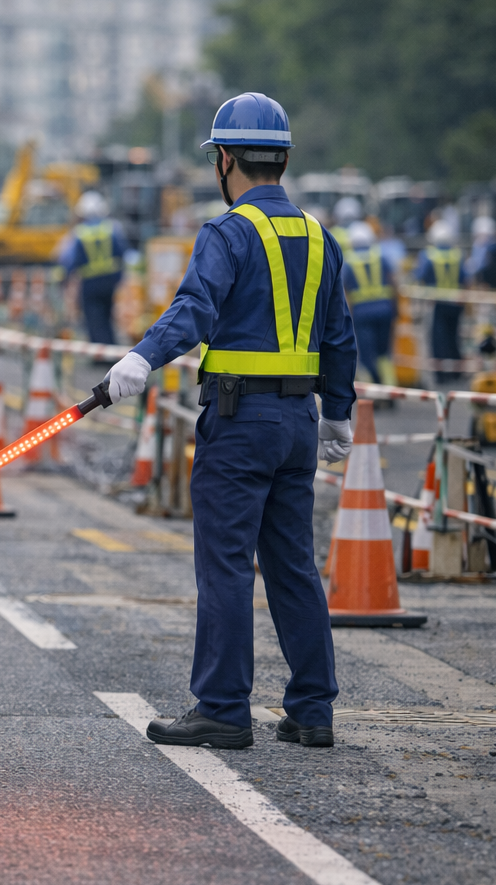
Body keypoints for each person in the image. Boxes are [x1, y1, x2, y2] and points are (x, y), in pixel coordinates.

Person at [102, 92, 357, 750]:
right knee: (293, 565)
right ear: (284, 159)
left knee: (225, 565)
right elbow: (340, 336)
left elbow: (194, 309)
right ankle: (312, 710)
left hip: (240, 423)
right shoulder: (318, 235)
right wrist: (339, 415)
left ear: (223, 161)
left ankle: (221, 707)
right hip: (300, 423)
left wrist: (141, 358)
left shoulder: (226, 232)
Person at [58, 190, 128, 345]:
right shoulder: (112, 228)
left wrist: (63, 279)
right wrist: (121, 277)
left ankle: (100, 354)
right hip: (110, 281)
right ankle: (110, 349)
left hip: (90, 282)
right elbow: (122, 253)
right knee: (107, 315)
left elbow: (71, 260)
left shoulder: (80, 232)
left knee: (93, 319)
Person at [342, 221, 397, 384]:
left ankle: (374, 392)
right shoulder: (381, 256)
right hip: (385, 310)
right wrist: (396, 308)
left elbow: (346, 293)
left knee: (366, 354)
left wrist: (347, 317)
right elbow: (394, 283)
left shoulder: (349, 261)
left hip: (362, 314)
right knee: (384, 354)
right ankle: (390, 388)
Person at [416, 219, 466, 384]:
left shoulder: (428, 255)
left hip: (437, 303)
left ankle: (441, 374)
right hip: (456, 302)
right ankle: (456, 372)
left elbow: (419, 276)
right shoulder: (457, 255)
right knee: (453, 337)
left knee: (438, 340)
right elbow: (465, 279)